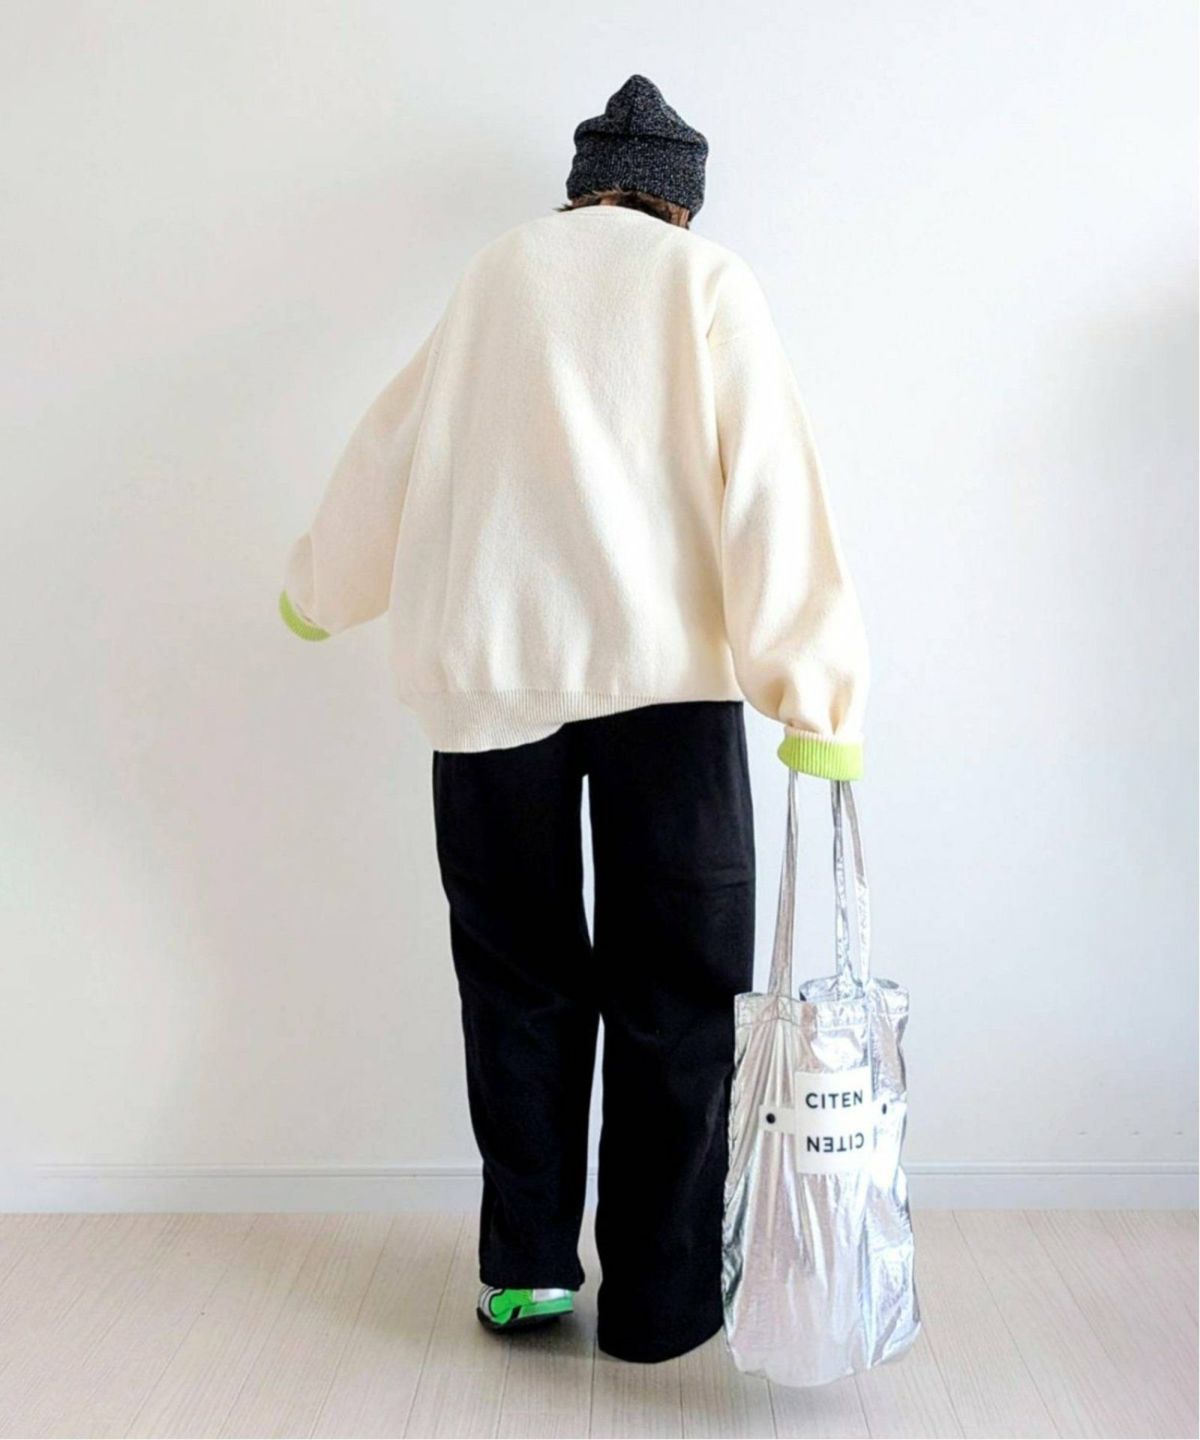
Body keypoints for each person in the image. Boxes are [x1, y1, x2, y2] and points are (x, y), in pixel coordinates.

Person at [278, 74, 870, 1365]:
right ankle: (660, 1302)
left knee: (518, 979)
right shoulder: (705, 281)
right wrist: (814, 691)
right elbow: (771, 483)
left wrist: (323, 586)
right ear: (681, 199)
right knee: (679, 991)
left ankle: (530, 1269)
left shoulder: (499, 273)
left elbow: (395, 443)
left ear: (579, 186)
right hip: (670, 687)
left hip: (490, 675)